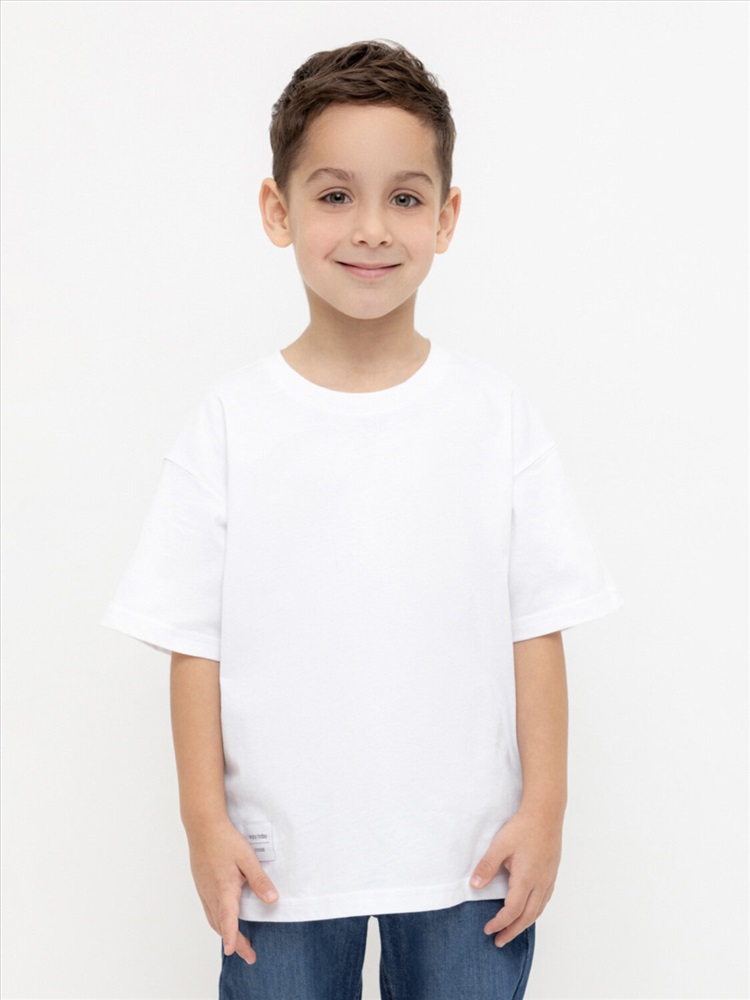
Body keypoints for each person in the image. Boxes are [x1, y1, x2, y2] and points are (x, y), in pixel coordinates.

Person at [100, 39, 624, 1000]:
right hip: (280, 868)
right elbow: (191, 641)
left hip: (468, 859)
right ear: (279, 210)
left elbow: (538, 623)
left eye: (406, 198)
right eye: (337, 195)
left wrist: (545, 807)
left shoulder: (495, 416)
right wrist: (203, 821)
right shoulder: (231, 422)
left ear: (447, 217)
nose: (372, 229)